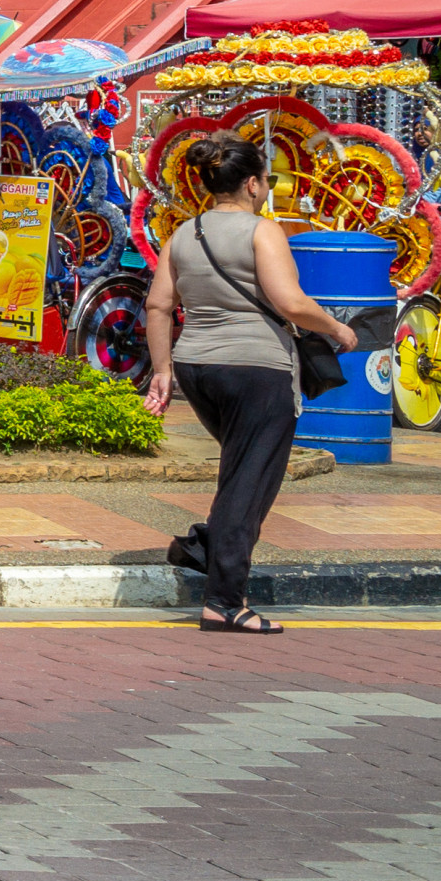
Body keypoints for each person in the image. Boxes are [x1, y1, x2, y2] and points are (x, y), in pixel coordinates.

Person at [144, 134, 359, 632]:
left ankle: (203, 546)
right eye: (267, 179)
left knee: (242, 469)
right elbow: (291, 303)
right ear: (252, 183)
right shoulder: (263, 231)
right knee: (251, 478)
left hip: (197, 366)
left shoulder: (183, 234)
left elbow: (158, 305)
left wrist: (162, 371)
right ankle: (224, 600)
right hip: (256, 369)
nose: (268, 187)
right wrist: (337, 328)